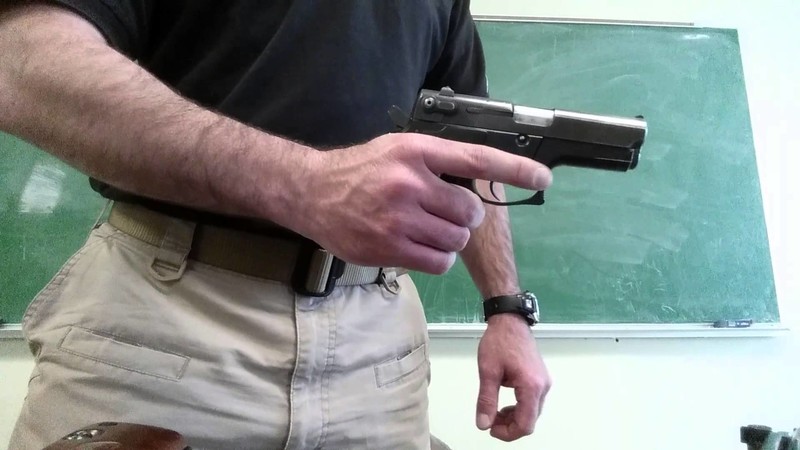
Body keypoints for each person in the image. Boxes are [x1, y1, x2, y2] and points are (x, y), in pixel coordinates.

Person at [0, 1, 553, 449]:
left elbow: (472, 149)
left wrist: (508, 310)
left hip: (378, 350)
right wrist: (306, 183)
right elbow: (21, 58)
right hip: (164, 320)